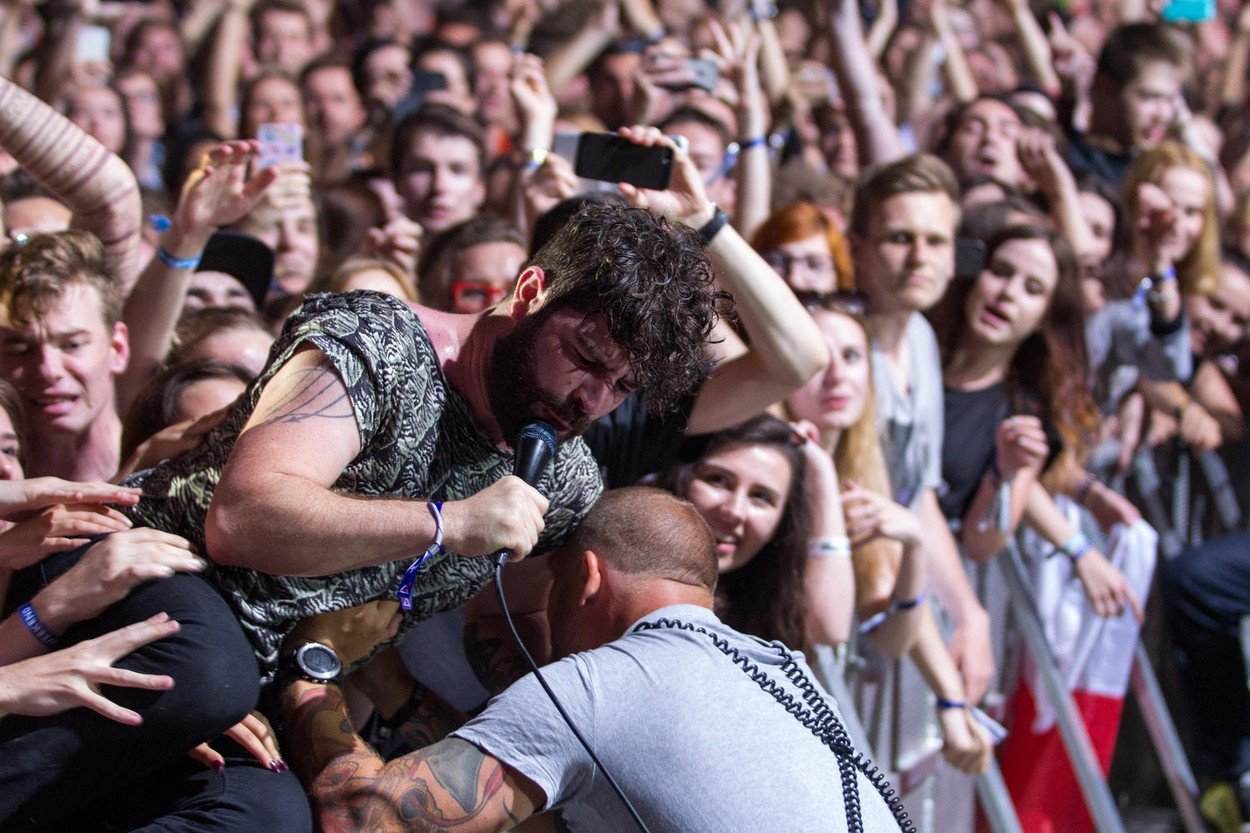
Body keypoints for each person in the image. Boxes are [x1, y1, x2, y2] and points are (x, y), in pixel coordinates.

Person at [124, 190, 719, 679]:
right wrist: (449, 523)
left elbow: (506, 616)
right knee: (206, 680)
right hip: (157, 585)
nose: (593, 398)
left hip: (273, 682)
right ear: (532, 291)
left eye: (621, 386)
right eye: (585, 357)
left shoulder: (563, 479)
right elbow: (240, 520)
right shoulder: (377, 342)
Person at [279, 487, 911, 833]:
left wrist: (315, 663)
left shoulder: (596, 687)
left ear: (583, 577)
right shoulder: (781, 673)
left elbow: (363, 822)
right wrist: (397, 693)